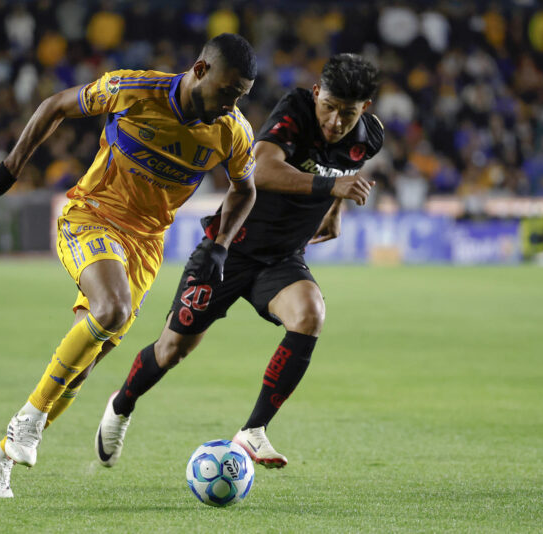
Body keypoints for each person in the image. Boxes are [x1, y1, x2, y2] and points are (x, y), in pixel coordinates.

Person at [0, 33, 258, 498]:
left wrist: (221, 244)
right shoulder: (134, 90)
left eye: (241, 96)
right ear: (201, 70)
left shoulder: (232, 132)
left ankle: (1, 456)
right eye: (228, 91)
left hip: (145, 245)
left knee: (83, 366)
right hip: (92, 215)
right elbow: (56, 106)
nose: (231, 104)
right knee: (111, 309)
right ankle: (26, 422)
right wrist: (10, 168)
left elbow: (245, 189)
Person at [90, 53, 383, 469]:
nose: (335, 121)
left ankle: (253, 431)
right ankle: (121, 404)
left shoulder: (368, 138)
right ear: (317, 93)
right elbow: (261, 170)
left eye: (348, 114)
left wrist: (334, 209)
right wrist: (332, 188)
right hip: (229, 248)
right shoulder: (296, 111)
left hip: (281, 258)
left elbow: (348, 166)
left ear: (365, 110)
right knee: (173, 349)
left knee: (310, 313)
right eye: (330, 107)